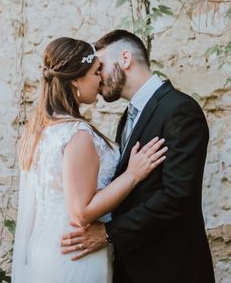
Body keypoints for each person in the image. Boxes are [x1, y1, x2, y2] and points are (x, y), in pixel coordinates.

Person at [60, 29, 215, 283]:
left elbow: (177, 196)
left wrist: (108, 233)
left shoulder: (180, 110)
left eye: (101, 67)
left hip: (170, 267)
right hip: (132, 267)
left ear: (125, 58)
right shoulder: (128, 117)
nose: (98, 78)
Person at [12, 37, 167, 283]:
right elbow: (81, 212)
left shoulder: (42, 129)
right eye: (96, 72)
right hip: (76, 255)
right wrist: (132, 175)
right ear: (75, 80)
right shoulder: (77, 134)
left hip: (49, 250)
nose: (100, 79)